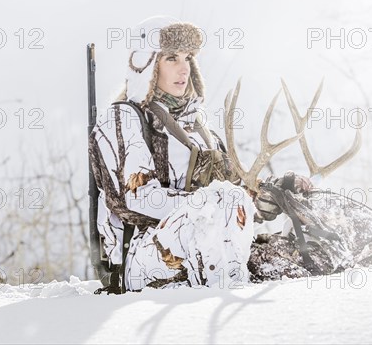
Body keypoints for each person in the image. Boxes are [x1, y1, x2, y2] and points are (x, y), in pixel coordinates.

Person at [88, 16, 313, 292]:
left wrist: (270, 196)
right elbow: (137, 198)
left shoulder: (199, 128)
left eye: (188, 58)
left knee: (292, 261)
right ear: (146, 64)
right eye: (171, 58)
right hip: (139, 257)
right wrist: (213, 203)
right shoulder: (123, 118)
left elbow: (234, 202)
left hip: (209, 245)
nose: (184, 68)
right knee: (231, 216)